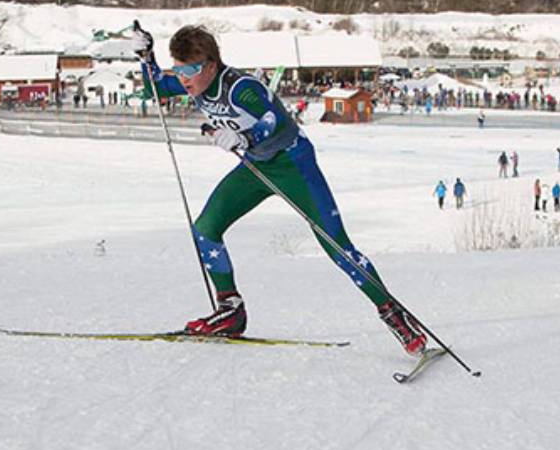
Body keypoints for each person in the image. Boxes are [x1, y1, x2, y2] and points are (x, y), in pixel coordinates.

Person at [137, 25, 427, 355]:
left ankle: (393, 314)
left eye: (190, 69)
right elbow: (153, 89)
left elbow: (272, 119)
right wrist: (146, 55)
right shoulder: (194, 83)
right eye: (179, 69)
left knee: (335, 245)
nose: (184, 78)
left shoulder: (240, 87)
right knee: (205, 229)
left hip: (293, 163)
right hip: (257, 167)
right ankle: (230, 310)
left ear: (212, 64)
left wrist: (243, 138)